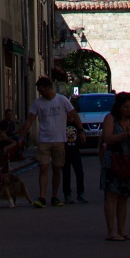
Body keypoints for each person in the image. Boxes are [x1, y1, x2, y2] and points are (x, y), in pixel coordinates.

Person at [20, 76, 82, 208]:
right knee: (43, 168)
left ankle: (54, 196)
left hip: (59, 140)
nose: (40, 93)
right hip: (44, 140)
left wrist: (81, 130)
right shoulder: (38, 103)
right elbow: (30, 120)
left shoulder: (62, 100)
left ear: (48, 88)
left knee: (57, 169)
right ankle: (42, 197)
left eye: (42, 90)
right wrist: (22, 136)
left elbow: (74, 114)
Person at [100, 91, 130, 240]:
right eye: (125, 107)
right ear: (118, 107)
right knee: (112, 195)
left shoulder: (129, 120)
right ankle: (112, 231)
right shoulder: (110, 119)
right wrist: (123, 134)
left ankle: (122, 230)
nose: (128, 109)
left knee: (124, 196)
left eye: (129, 106)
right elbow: (107, 138)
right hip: (113, 160)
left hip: (126, 160)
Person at [62, 98, 86, 204]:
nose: (70, 116)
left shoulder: (77, 124)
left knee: (79, 172)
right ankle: (67, 194)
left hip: (75, 151)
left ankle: (80, 193)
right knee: (66, 174)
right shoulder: (63, 123)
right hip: (65, 151)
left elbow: (81, 136)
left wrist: (82, 135)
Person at [0, 107, 21, 173]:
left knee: (19, 139)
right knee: (14, 142)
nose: (10, 116)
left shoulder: (12, 123)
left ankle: (16, 155)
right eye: (8, 114)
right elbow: (1, 134)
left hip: (10, 137)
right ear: (5, 115)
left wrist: (18, 132)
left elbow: (12, 133)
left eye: (11, 114)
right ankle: (6, 151)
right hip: (4, 139)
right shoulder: (2, 123)